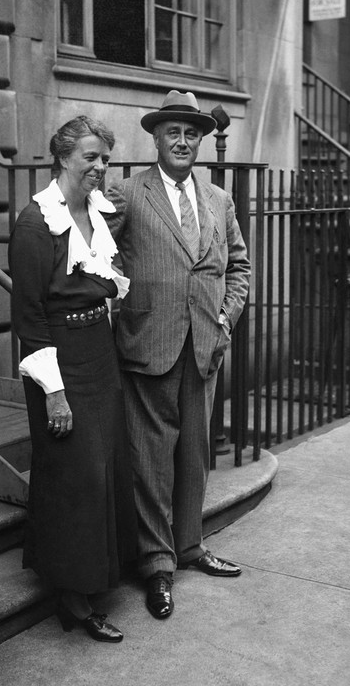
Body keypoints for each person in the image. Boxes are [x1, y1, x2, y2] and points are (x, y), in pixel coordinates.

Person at [105, 90, 251, 620]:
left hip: (204, 347)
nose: (183, 141)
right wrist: (126, 303)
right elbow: (97, 254)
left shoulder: (218, 200)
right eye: (174, 132)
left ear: (200, 141)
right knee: (151, 461)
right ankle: (156, 566)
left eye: (192, 133)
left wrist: (225, 316)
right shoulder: (127, 194)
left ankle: (190, 546)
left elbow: (240, 267)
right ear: (157, 138)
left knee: (195, 454)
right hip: (150, 346)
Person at [8, 115, 137, 642]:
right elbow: (29, 317)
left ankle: (96, 577)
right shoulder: (36, 225)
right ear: (63, 158)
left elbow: (108, 278)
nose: (101, 168)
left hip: (98, 353)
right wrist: (55, 394)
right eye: (91, 158)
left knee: (103, 469)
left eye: (105, 158)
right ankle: (73, 599)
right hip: (58, 361)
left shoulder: (97, 213)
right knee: (74, 477)